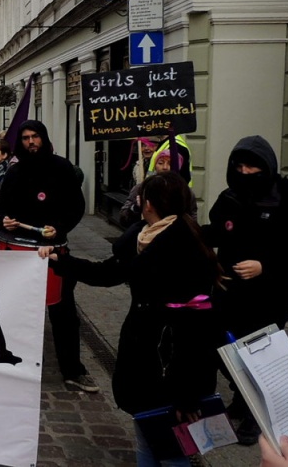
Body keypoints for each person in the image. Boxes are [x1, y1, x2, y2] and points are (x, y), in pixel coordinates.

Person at [41, 171, 222, 467]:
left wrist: (188, 394)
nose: (137, 198)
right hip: (144, 356)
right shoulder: (143, 238)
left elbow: (197, 330)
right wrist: (62, 261)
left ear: (149, 203)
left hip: (171, 364)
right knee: (148, 433)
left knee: (173, 448)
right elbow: (107, 273)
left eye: (142, 195)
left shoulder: (183, 246)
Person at [205, 135, 288, 444]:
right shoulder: (229, 198)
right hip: (229, 293)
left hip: (268, 298)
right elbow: (215, 232)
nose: (244, 172)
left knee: (258, 357)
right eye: (239, 166)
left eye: (252, 167)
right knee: (225, 353)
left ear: (266, 167)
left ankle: (256, 414)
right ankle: (242, 399)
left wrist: (264, 265)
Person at [0, 120, 94, 393]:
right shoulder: (14, 173)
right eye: (26, 138)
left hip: (53, 251)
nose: (31, 142)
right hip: (19, 251)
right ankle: (8, 365)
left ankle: (73, 371)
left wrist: (59, 228)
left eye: (35, 136)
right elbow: (2, 207)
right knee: (13, 311)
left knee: (63, 314)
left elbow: (76, 206)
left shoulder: (62, 168)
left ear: (44, 138)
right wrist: (5, 221)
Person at [119, 149, 198, 228]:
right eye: (160, 163)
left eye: (170, 163)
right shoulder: (141, 188)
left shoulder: (185, 192)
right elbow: (123, 219)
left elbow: (192, 221)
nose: (165, 167)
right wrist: (136, 207)